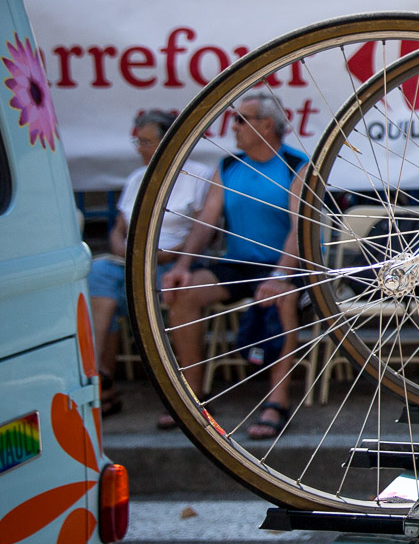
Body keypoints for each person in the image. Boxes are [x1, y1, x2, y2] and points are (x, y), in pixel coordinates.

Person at [160, 92, 309, 437]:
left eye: (241, 119)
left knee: (282, 298)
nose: (234, 127)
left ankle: (277, 401)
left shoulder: (296, 165)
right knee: (184, 292)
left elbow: (300, 229)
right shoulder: (228, 166)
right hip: (239, 263)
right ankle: (193, 394)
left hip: (285, 264)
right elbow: (206, 223)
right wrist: (183, 264)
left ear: (267, 125)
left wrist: (280, 274)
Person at [86, 110, 211, 416]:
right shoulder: (135, 178)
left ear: (167, 142)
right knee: (98, 275)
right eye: (137, 141)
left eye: (145, 141)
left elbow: (203, 230)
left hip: (170, 263)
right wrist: (124, 253)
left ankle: (182, 393)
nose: (140, 148)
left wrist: (163, 256)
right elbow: (119, 227)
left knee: (176, 288)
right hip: (130, 262)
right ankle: (101, 383)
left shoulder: (197, 175)